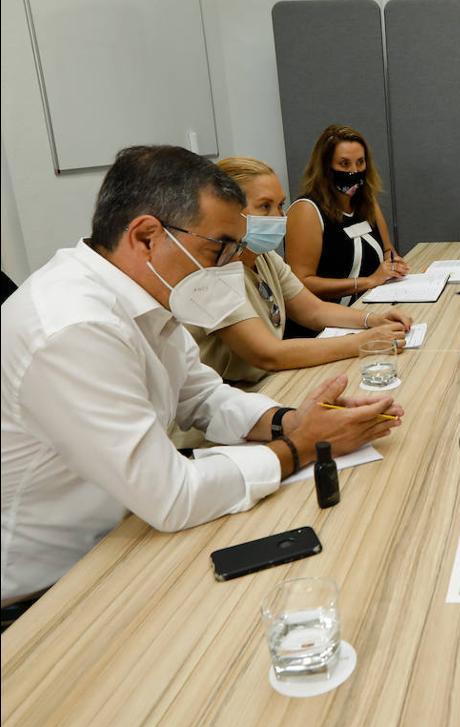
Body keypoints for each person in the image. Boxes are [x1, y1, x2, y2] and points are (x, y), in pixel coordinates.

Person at [0, 146, 404, 615]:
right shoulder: (73, 329)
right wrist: (303, 446)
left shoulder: (147, 293)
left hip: (126, 533)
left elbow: (203, 395)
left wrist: (291, 422)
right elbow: (172, 496)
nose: (230, 265)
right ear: (147, 236)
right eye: (218, 248)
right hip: (47, 591)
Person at [186, 156, 412, 386]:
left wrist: (373, 320)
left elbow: (313, 311)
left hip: (269, 382)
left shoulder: (263, 256)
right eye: (265, 206)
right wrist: (363, 342)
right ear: (227, 211)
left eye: (281, 205)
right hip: (233, 399)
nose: (279, 217)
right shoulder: (210, 272)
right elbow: (269, 354)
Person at [285, 124, 408, 337]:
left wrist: (395, 265)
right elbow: (300, 282)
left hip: (368, 311)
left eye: (360, 162)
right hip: (323, 328)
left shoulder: (367, 202)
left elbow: (389, 251)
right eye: (344, 163)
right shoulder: (307, 210)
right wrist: (367, 281)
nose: (354, 171)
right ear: (325, 167)